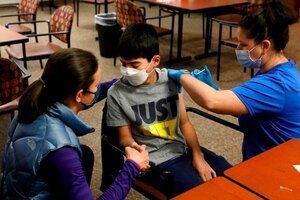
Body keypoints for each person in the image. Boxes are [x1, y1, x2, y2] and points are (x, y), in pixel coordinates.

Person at [1, 48, 150, 200]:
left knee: (84, 154)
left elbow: (92, 95)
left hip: (14, 189)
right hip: (28, 192)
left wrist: (120, 83)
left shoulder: (37, 101)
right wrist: (132, 166)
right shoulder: (62, 151)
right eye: (96, 86)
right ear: (79, 95)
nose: (98, 88)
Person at [106, 23, 232, 198]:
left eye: (134, 65)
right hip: (156, 161)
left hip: (182, 149)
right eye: (123, 64)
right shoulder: (116, 93)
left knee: (231, 175)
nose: (127, 71)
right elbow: (124, 137)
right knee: (203, 193)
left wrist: (198, 155)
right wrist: (133, 148)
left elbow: (184, 122)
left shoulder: (171, 80)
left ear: (155, 61)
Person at [168, 0, 300, 161]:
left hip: (277, 168)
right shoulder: (276, 69)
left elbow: (212, 102)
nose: (237, 49)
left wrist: (182, 76)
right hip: (263, 160)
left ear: (265, 45)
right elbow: (244, 106)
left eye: (243, 45)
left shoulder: (278, 84)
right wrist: (214, 88)